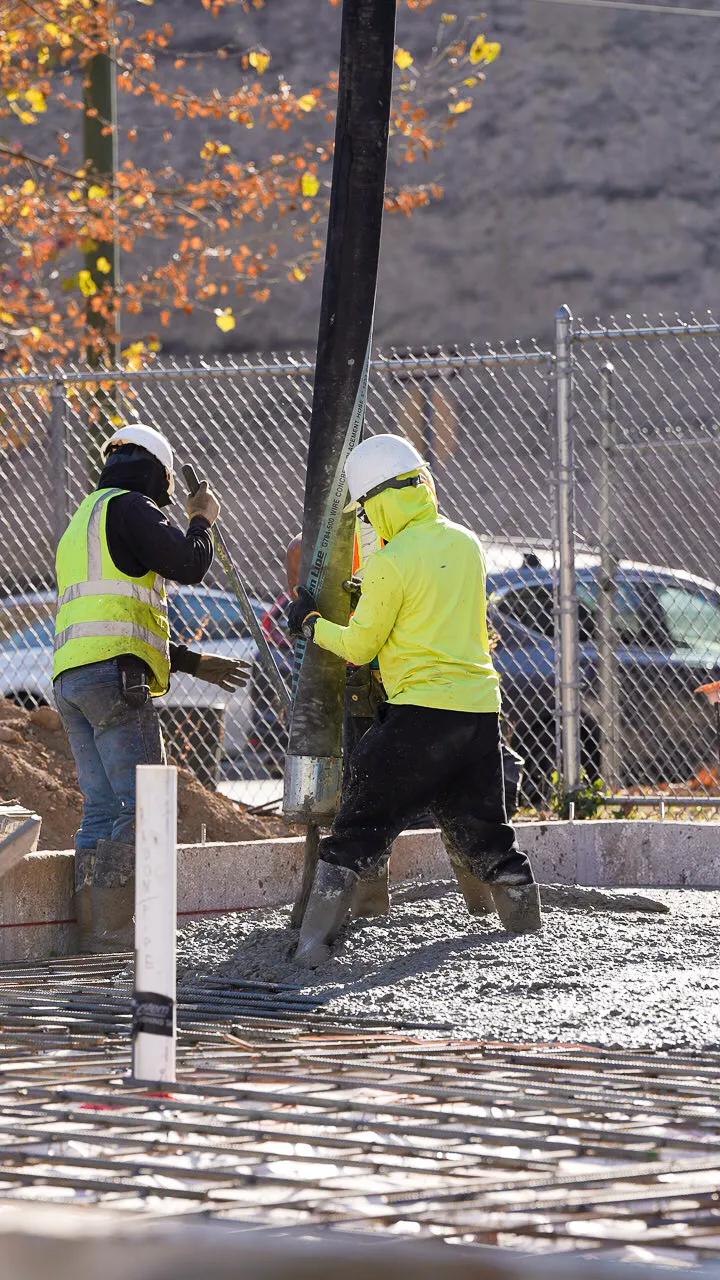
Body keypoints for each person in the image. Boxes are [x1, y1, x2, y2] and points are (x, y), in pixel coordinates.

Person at [287, 433, 542, 967]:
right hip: (479, 712)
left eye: (366, 510)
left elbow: (360, 646)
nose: (367, 520)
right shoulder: (466, 543)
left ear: (379, 502)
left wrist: (311, 623)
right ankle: (525, 933)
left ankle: (309, 949)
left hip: (419, 715)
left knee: (357, 826)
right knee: (486, 835)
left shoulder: (390, 562)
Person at [52, 424, 250, 954]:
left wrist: (190, 661)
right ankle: (119, 936)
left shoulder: (82, 520)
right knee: (142, 806)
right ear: (158, 472)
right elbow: (189, 564)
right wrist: (202, 518)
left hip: (71, 679)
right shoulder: (132, 506)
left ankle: (93, 936)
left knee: (100, 809)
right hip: (114, 679)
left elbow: (111, 613)